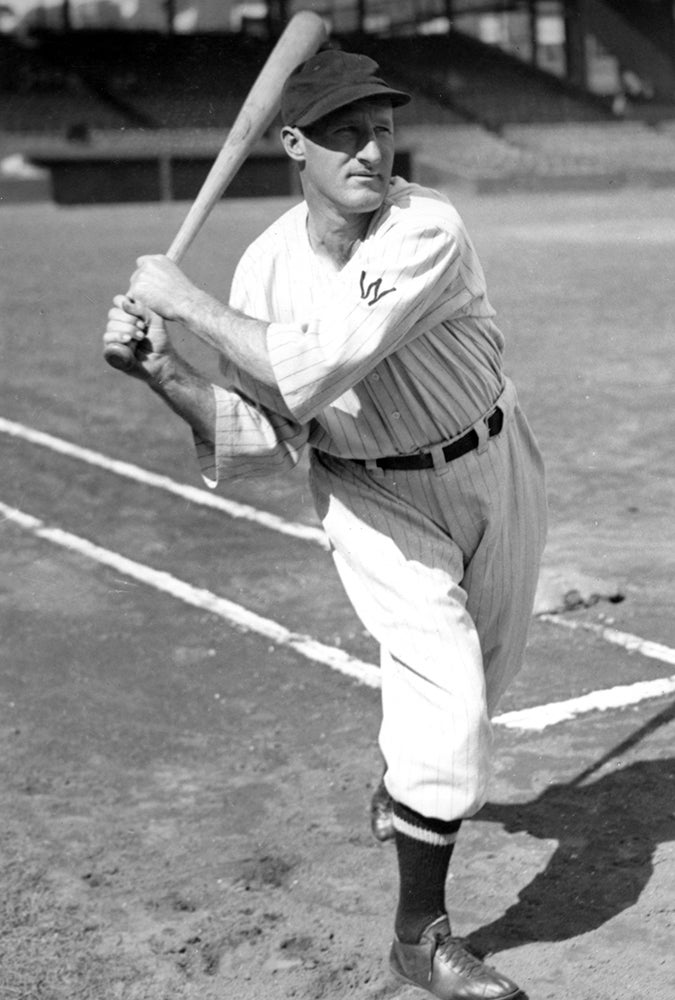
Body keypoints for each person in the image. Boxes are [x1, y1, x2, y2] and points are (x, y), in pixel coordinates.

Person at [103, 47, 547, 1000]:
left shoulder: (426, 226)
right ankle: (417, 935)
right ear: (294, 145)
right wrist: (164, 372)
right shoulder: (264, 270)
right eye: (345, 133)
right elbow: (264, 435)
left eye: (382, 129)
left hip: (495, 464)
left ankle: (404, 779)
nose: (371, 151)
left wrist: (183, 306)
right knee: (447, 697)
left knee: (487, 680)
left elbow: (313, 367)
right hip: (371, 496)